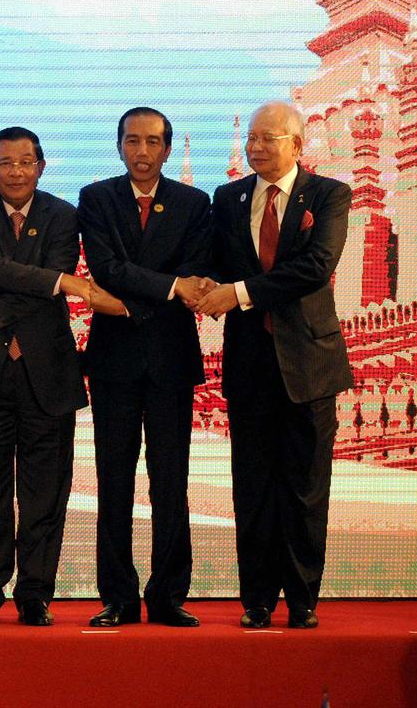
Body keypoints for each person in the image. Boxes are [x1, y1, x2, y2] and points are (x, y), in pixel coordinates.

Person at [0, 126, 124, 626]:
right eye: (6, 163)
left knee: (46, 491)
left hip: (47, 374)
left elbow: (25, 279)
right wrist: (64, 283)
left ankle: (35, 593)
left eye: (26, 162)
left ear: (41, 167)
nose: (17, 171)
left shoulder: (64, 215)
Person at [195, 101, 352, 630]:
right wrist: (193, 285)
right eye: (252, 139)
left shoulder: (329, 194)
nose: (256, 147)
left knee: (306, 487)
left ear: (297, 144)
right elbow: (213, 263)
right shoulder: (230, 197)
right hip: (250, 366)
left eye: (269, 138)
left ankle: (303, 598)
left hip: (308, 364)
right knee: (253, 486)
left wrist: (235, 294)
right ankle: (256, 600)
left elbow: (314, 267)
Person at [76, 107, 211, 628]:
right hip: (114, 361)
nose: (143, 151)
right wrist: (171, 288)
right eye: (133, 141)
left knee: (169, 481)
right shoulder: (98, 198)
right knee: (114, 482)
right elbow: (105, 268)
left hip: (172, 360)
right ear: (119, 146)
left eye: (153, 142)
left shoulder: (194, 203)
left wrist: (147, 294)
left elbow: (197, 273)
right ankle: (118, 597)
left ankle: (169, 595)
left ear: (167, 150)